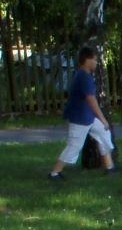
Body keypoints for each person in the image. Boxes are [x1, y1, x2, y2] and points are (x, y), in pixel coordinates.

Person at [48, 46, 117, 181]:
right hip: (80, 118)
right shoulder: (84, 77)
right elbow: (90, 99)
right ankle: (54, 173)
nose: (96, 63)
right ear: (87, 60)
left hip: (88, 117)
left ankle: (110, 167)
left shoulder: (82, 75)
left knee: (103, 133)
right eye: (95, 60)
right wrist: (102, 118)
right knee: (74, 146)